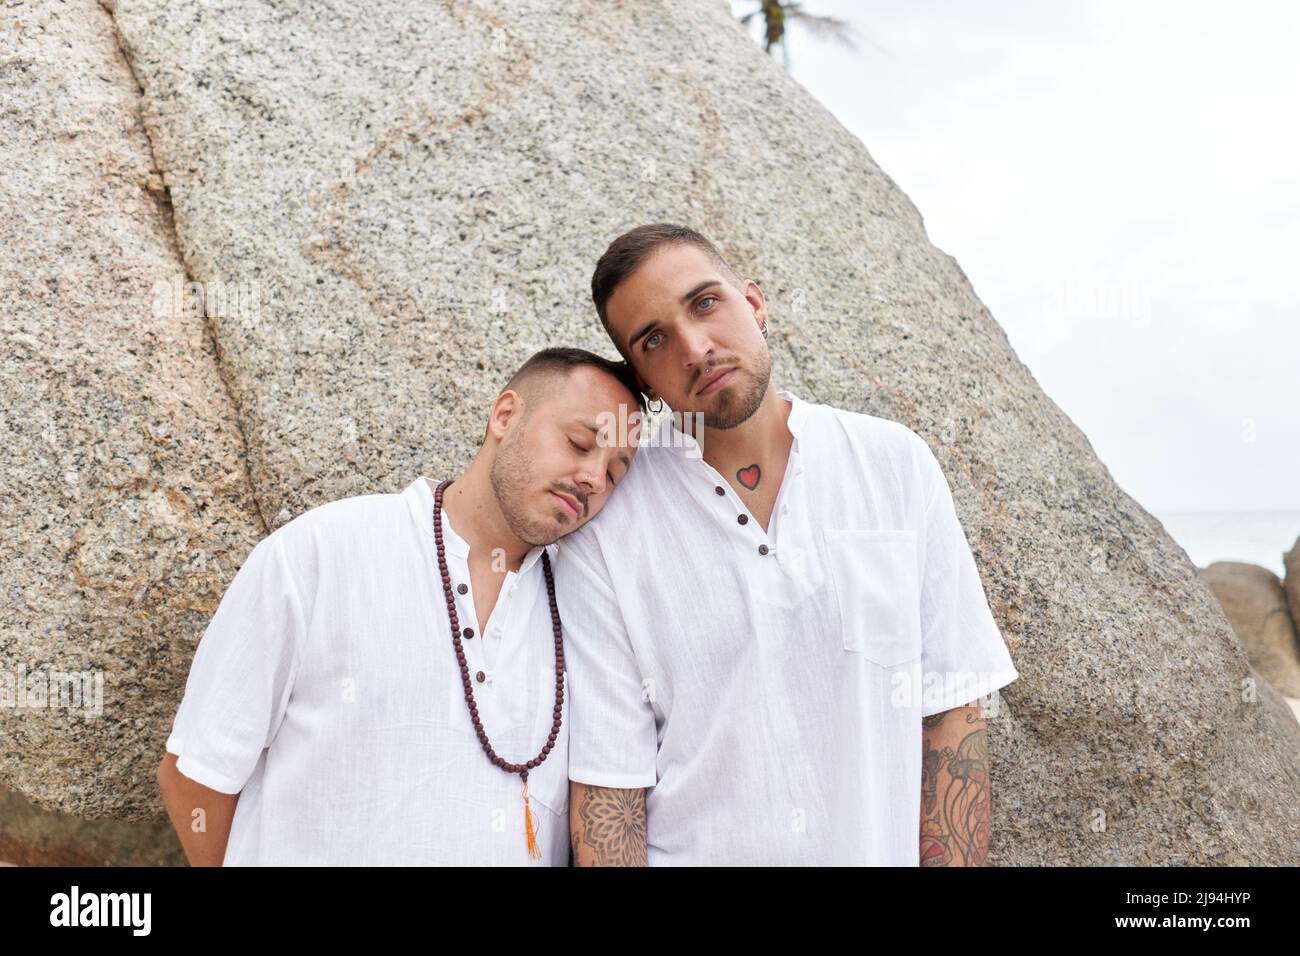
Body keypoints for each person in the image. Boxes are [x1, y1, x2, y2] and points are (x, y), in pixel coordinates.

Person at [559, 224, 1020, 866]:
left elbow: (952, 713)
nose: (695, 348)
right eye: (655, 339)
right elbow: (610, 789)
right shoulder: (606, 529)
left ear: (754, 303)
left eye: (705, 302)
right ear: (641, 378)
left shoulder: (893, 464)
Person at [157, 347, 643, 865]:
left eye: (615, 472)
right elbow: (195, 775)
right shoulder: (323, 552)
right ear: (505, 415)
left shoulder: (586, 610)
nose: (594, 477)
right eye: (579, 443)